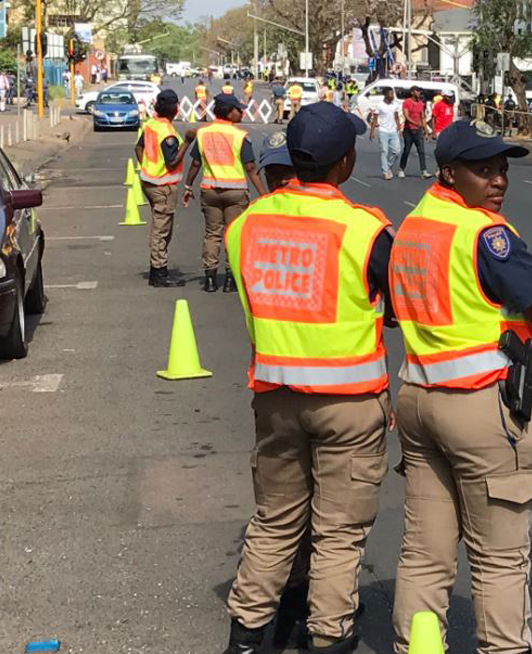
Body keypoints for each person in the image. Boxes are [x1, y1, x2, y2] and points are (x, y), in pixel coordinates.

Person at [222, 102, 393, 654]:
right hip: (349, 402)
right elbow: (393, 306)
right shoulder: (366, 230)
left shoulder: (245, 225)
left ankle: (246, 634)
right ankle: (328, 635)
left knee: (274, 521)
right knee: (338, 534)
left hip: (274, 397)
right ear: (345, 162)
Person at [389, 119, 532, 654]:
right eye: (482, 170)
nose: (498, 181)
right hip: (479, 403)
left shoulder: (415, 225)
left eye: (502, 169)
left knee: (424, 551)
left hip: (419, 399)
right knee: (500, 558)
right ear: (449, 172)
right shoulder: (486, 234)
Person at [181, 93, 268, 292]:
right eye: (239, 109)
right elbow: (251, 168)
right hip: (235, 192)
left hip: (210, 191)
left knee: (212, 234)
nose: (242, 112)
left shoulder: (203, 133)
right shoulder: (240, 136)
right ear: (229, 112)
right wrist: (264, 194)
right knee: (233, 234)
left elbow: (195, 163)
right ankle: (230, 279)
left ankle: (210, 278)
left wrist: (188, 186)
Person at [135, 89, 195, 287]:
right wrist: (186, 142)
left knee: (161, 227)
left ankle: (159, 268)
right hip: (163, 185)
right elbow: (171, 162)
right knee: (162, 230)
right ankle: (159, 273)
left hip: (149, 181)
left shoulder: (152, 124)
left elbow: (138, 148)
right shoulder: (167, 133)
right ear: (175, 108)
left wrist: (147, 166)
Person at [368, 86, 403, 180]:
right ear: (385, 95)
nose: (392, 96)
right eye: (390, 94)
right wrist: (372, 132)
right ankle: (385, 171)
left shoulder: (394, 105)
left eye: (393, 94)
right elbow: (375, 119)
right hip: (383, 131)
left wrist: (399, 129)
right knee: (384, 151)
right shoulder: (379, 105)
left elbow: (396, 117)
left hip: (393, 131)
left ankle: (388, 166)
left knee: (397, 151)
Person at [399, 86, 432, 179]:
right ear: (412, 92)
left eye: (419, 91)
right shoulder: (407, 102)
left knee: (421, 151)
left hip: (418, 131)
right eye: (417, 91)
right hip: (408, 130)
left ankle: (424, 171)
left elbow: (423, 118)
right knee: (407, 150)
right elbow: (406, 116)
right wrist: (416, 123)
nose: (419, 93)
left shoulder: (421, 104)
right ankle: (401, 169)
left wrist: (426, 131)